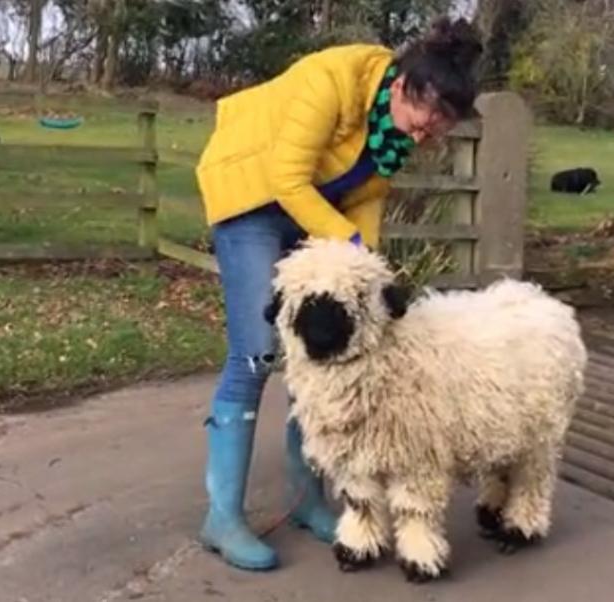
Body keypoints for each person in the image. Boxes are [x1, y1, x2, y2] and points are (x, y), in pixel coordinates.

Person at [193, 17, 484, 572]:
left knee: (330, 357)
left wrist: (369, 273)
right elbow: (288, 178)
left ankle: (309, 499)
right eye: (421, 123)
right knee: (256, 347)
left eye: (435, 134)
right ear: (401, 87)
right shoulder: (333, 78)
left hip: (314, 207)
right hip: (255, 195)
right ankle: (222, 517)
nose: (421, 138)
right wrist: (347, 243)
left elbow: (365, 198)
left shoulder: (395, 136)